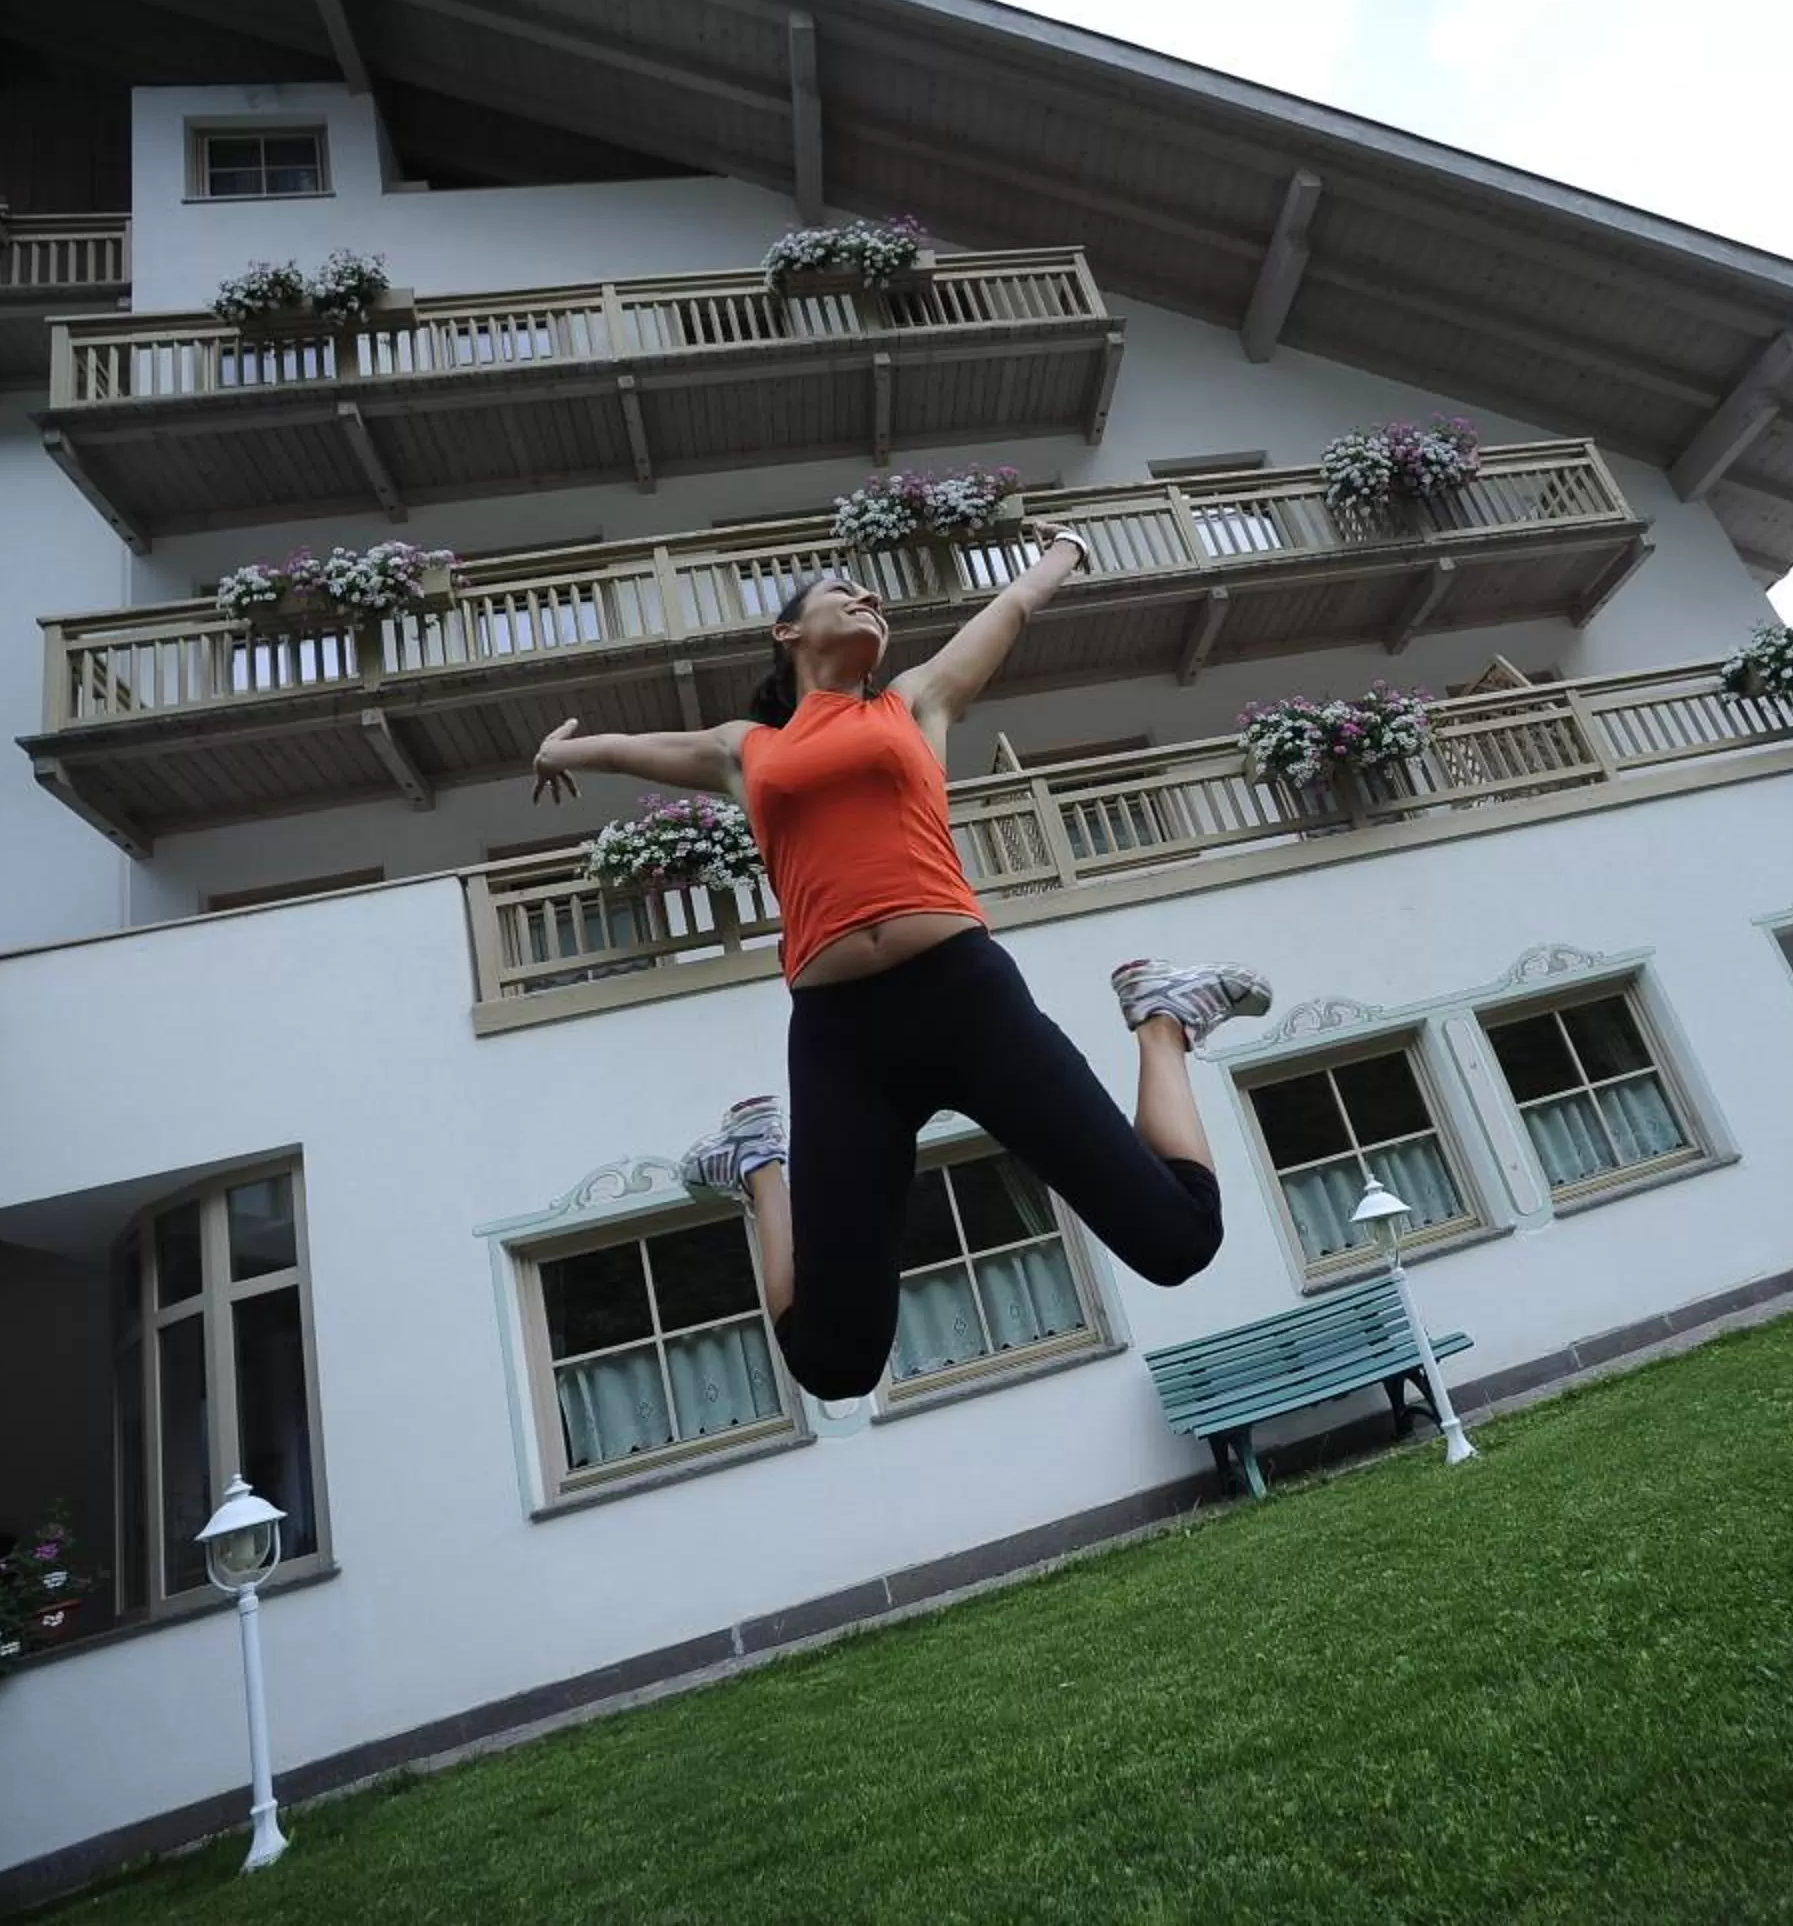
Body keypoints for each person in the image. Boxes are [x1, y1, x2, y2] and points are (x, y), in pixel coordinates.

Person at [528, 519, 1270, 1401]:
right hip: (843, 1038)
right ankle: (758, 1163)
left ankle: (1161, 1021)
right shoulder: (746, 749)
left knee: (1179, 1242)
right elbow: (625, 750)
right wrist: (557, 750)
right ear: (788, 632)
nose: (867, 600)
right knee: (832, 1365)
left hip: (965, 1001)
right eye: (844, 592)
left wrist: (1066, 548)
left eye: (874, 597)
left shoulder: (913, 702)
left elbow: (1016, 607)